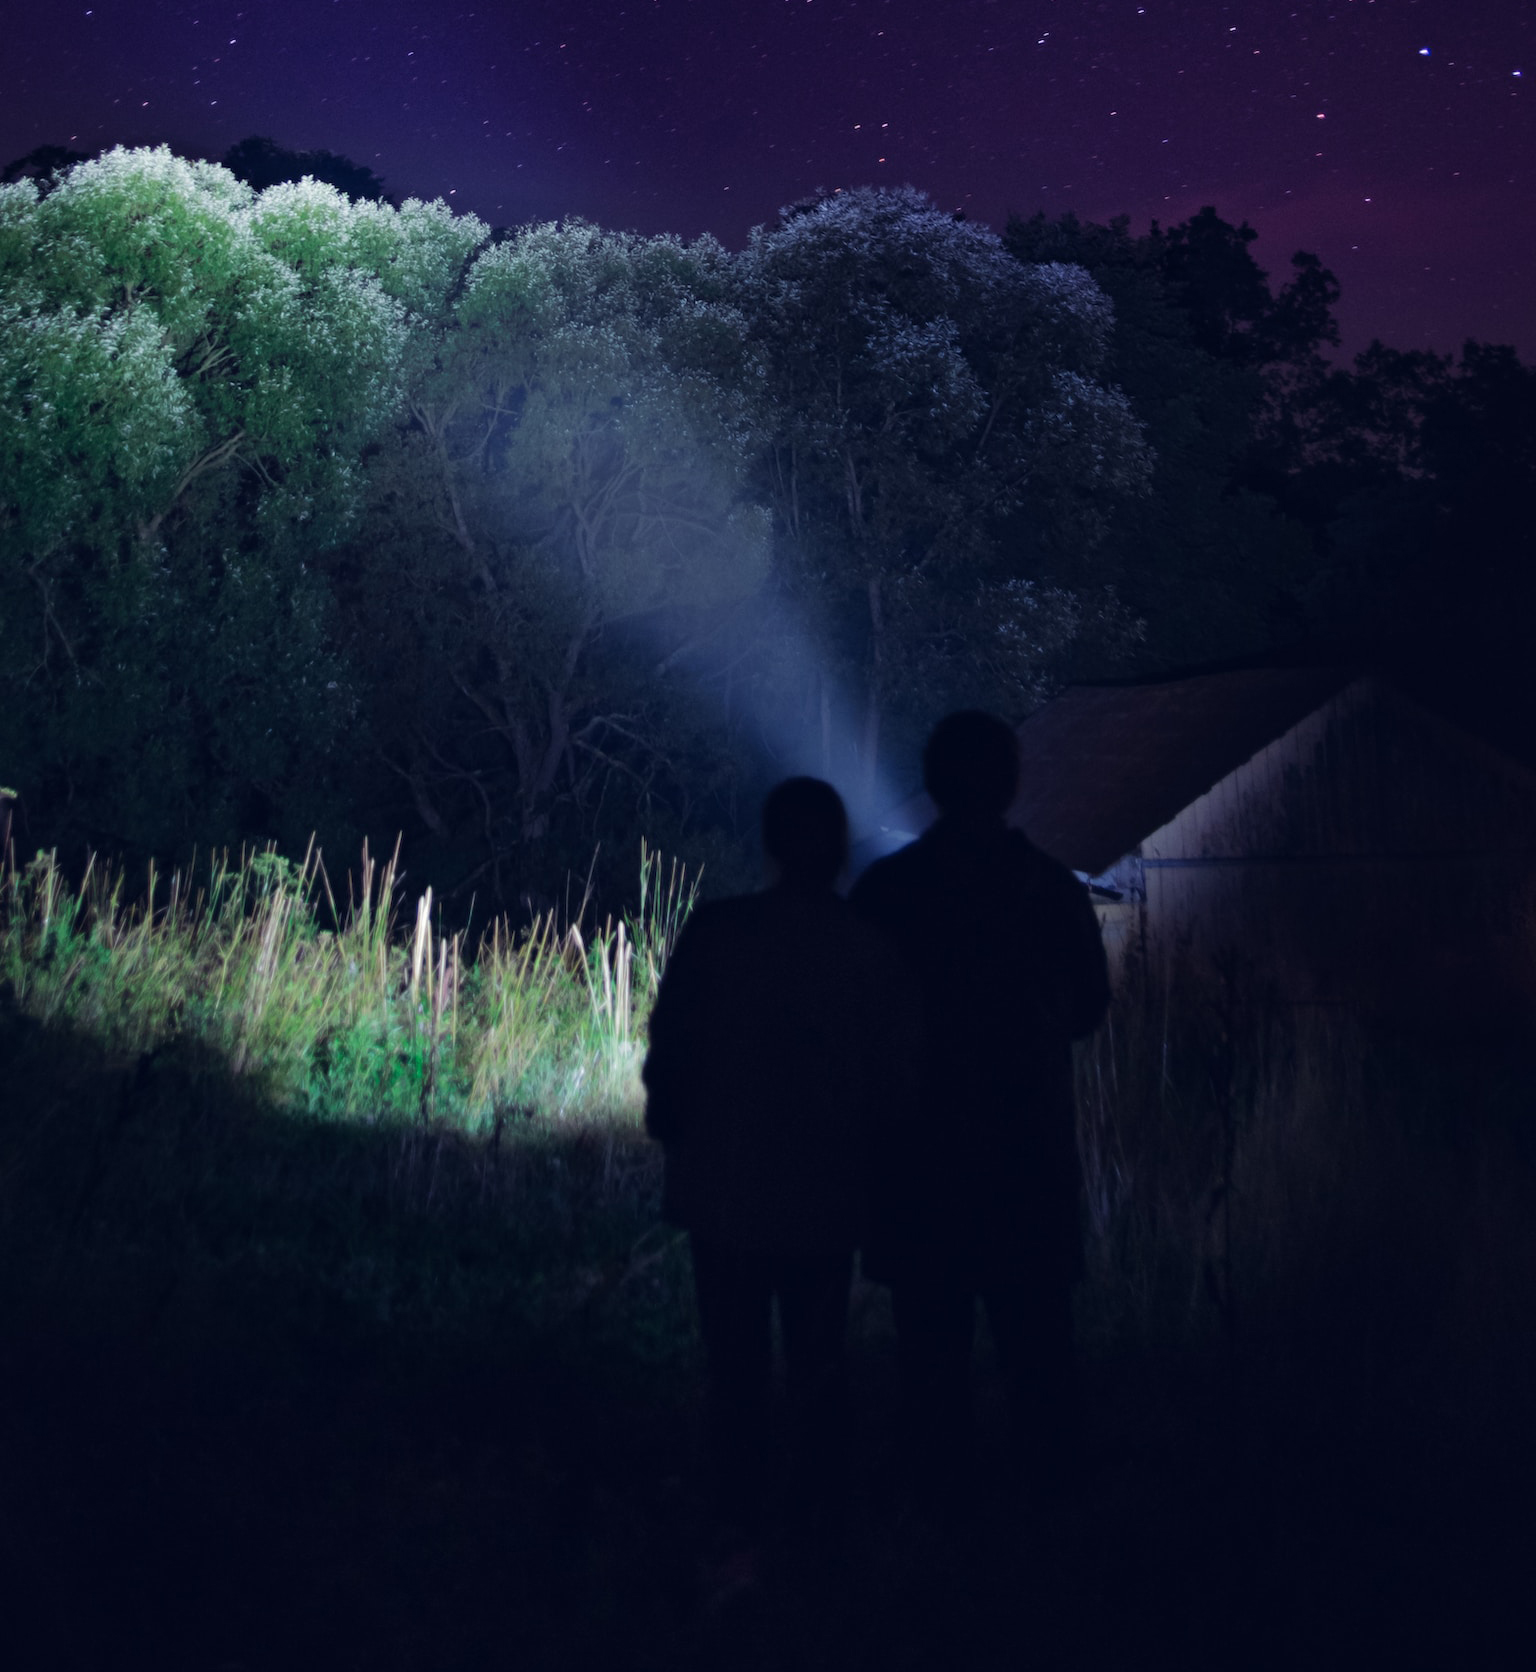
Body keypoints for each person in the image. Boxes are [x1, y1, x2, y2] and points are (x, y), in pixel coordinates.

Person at [643, 777, 921, 1556]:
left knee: (735, 1369)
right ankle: (815, 1520)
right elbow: (899, 1083)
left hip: (725, 1196)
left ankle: (737, 1516)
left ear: (767, 845)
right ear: (838, 853)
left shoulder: (717, 933)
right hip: (823, 1202)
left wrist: (679, 1131)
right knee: (817, 1359)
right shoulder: (866, 948)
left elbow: (669, 1057)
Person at [849, 711, 1110, 1506]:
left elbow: (856, 1022)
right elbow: (1089, 1010)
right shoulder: (1054, 892)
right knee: (1039, 1361)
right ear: (1010, 783)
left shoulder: (887, 892)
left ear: (931, 784)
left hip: (922, 1169)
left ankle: (942, 1542)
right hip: (1026, 1165)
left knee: (931, 1362)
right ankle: (1047, 1542)